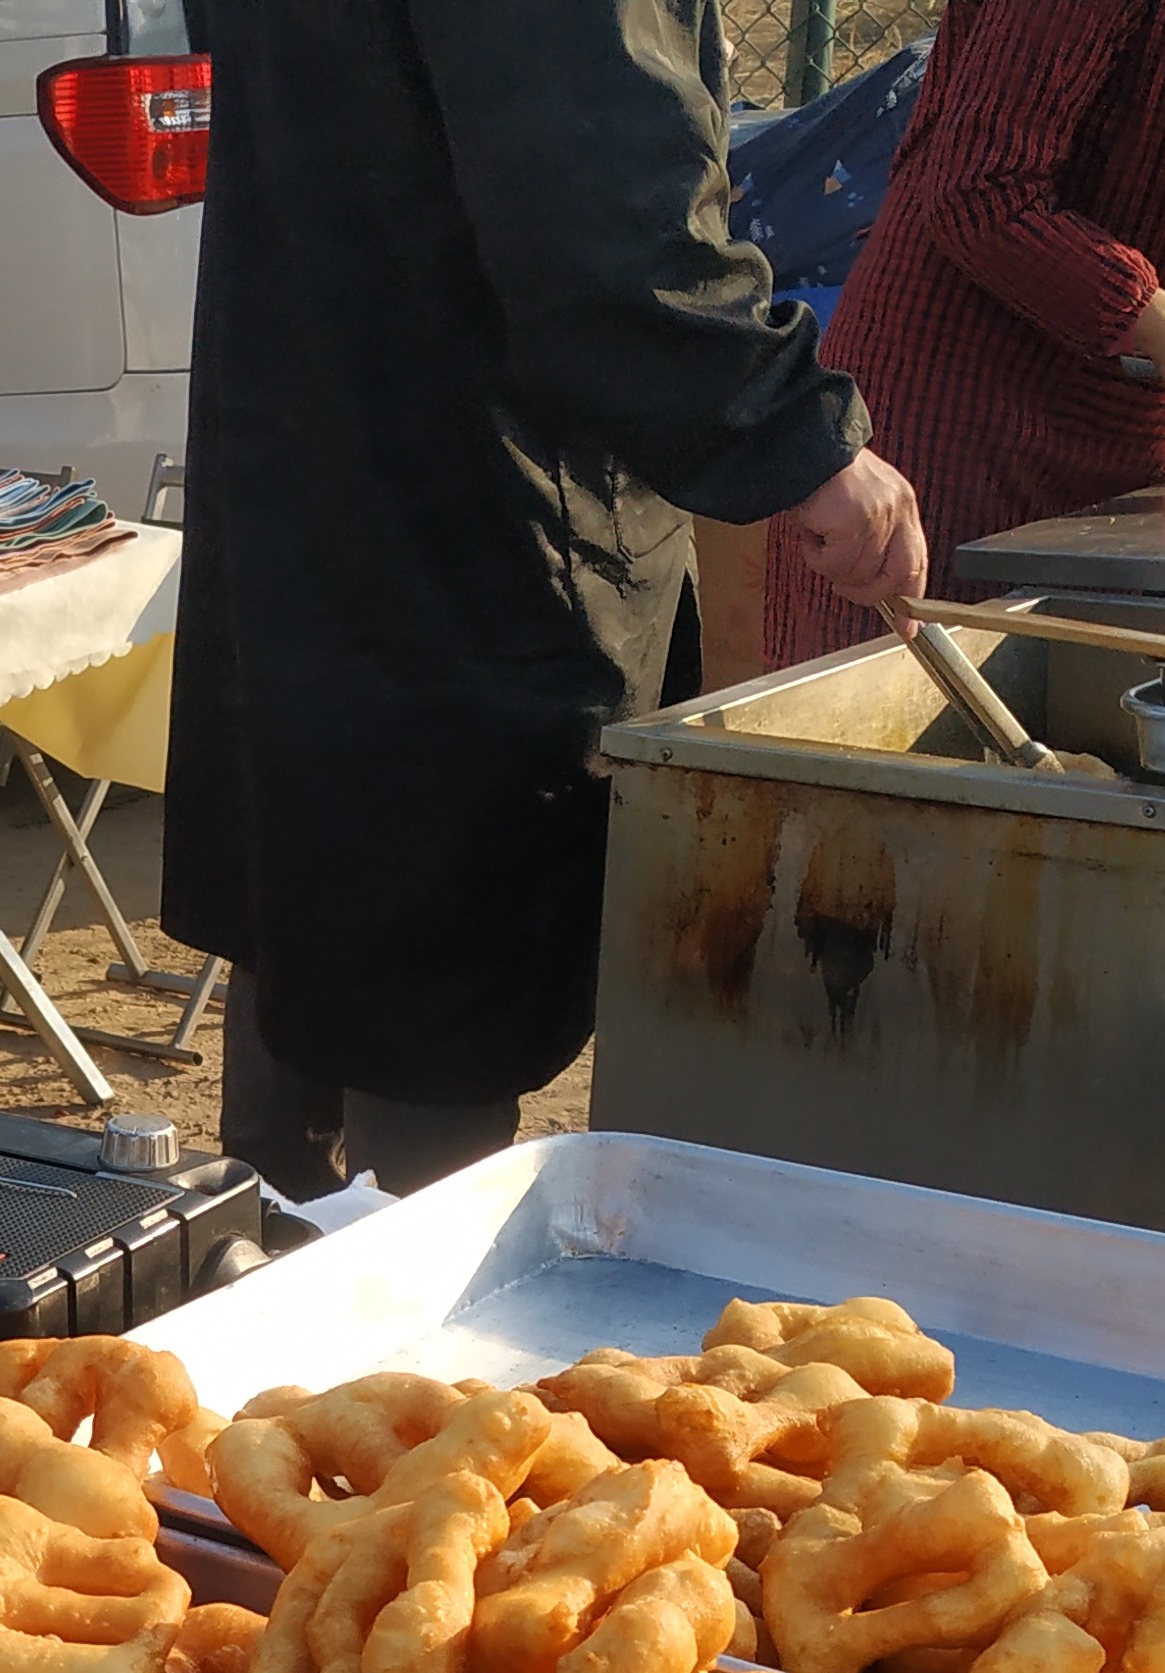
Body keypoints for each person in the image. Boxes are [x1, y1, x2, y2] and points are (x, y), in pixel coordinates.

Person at [166, 0, 924, 1202]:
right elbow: (611, 224)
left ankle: (266, 1250)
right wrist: (798, 437)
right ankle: (390, 1343)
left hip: (318, 471)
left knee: (314, 886)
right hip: (468, 522)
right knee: (423, 980)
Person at [760, 0, 1165, 672]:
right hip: (952, 429)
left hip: (1125, 465)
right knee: (886, 743)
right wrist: (1152, 317)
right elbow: (979, 187)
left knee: (1099, 744)